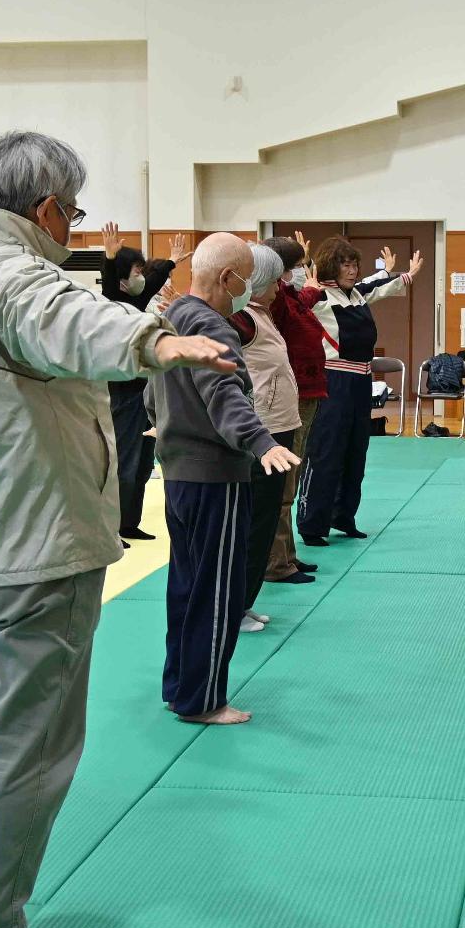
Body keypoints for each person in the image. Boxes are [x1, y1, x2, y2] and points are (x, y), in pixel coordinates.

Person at [0, 130, 235, 928]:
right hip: (39, 545)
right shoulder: (13, 272)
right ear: (44, 208)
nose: (72, 227)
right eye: (71, 212)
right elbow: (71, 317)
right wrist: (157, 342)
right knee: (28, 746)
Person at [149, 234, 302, 720]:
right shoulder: (214, 327)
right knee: (215, 591)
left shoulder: (171, 318)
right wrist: (263, 443)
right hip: (214, 476)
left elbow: (153, 388)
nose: (250, 288)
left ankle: (180, 686)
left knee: (186, 585)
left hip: (179, 473)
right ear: (228, 278)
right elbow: (225, 394)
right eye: (245, 278)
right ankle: (203, 700)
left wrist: (164, 423)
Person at [296, 236, 423, 545]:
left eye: (354, 264)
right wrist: (303, 262)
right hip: (333, 383)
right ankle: (312, 524)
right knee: (325, 452)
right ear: (330, 266)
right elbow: (297, 295)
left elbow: (378, 285)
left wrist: (405, 274)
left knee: (356, 452)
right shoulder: (321, 296)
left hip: (360, 383)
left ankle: (343, 516)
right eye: (345, 264)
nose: (352, 271)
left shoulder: (356, 296)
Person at [231, 242, 308, 634]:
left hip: (279, 425)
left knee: (266, 518)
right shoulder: (242, 318)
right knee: (256, 520)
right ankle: (236, 605)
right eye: (274, 280)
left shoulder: (262, 313)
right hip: (261, 432)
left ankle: (246, 601)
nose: (281, 286)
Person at [99, 228, 186, 541]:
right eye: (135, 270)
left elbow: (153, 281)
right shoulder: (113, 302)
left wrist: (172, 261)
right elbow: (111, 285)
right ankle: (111, 526)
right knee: (123, 459)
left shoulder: (139, 301)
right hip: (123, 389)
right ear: (123, 276)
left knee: (142, 461)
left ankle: (129, 522)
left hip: (145, 388)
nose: (141, 276)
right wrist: (110, 258)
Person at [260, 235, 325, 585]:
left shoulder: (288, 298)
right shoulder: (274, 302)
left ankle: (288, 555)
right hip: (290, 397)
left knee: (292, 481)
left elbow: (303, 301)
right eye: (297, 266)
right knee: (283, 485)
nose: (303, 272)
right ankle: (277, 562)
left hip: (306, 392)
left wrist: (307, 283)